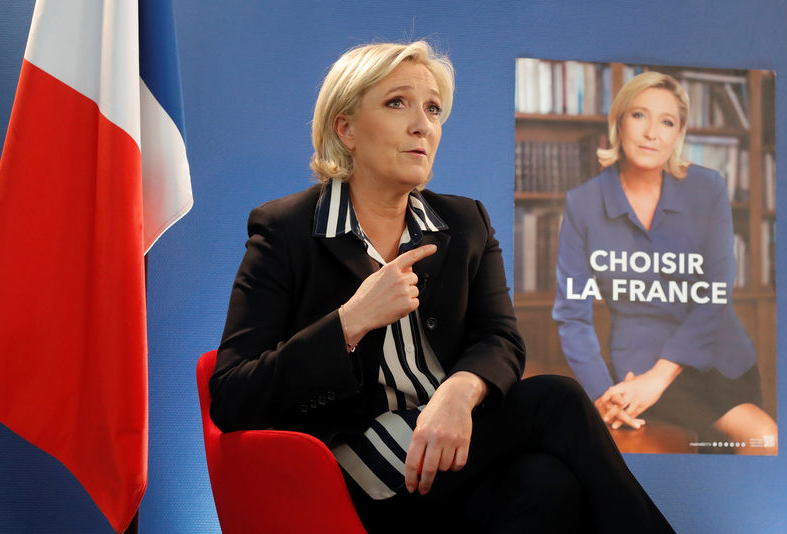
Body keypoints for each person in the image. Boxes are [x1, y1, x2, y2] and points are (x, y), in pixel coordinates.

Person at [211, 41, 674, 532]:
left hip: (452, 443)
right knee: (558, 400)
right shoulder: (285, 230)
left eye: (432, 109)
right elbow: (232, 395)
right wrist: (350, 323)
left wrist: (459, 391)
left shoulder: (465, 221)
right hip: (359, 471)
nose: (423, 125)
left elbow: (501, 339)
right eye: (397, 103)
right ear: (344, 128)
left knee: (547, 484)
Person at [553, 71, 777, 454]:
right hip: (638, 367)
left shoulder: (708, 188)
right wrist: (602, 394)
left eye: (667, 122)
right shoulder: (583, 203)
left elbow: (715, 294)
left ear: (679, 134)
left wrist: (659, 377)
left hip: (718, 360)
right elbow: (573, 315)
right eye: (639, 116)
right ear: (619, 122)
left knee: (764, 439)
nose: (651, 132)